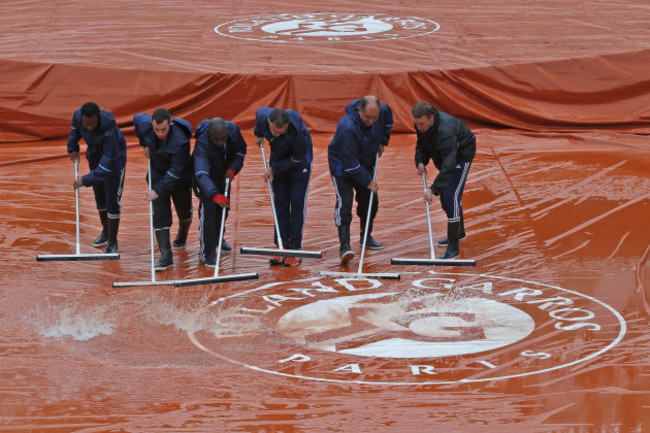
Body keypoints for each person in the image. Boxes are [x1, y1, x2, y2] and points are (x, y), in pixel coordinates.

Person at [328, 95, 393, 264]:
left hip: (365, 162)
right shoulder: (347, 127)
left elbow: (387, 121)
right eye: (367, 117)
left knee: (371, 200)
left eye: (374, 118)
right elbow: (350, 164)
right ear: (359, 111)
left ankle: (366, 236)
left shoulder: (383, 111)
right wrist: (367, 181)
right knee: (345, 203)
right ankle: (345, 247)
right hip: (343, 167)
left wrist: (383, 141)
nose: (371, 121)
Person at [412, 101, 476, 259]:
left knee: (451, 196)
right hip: (445, 156)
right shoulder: (422, 125)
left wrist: (433, 190)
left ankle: (453, 248)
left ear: (431, 118)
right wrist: (420, 161)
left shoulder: (445, 130)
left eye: (422, 123)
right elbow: (422, 143)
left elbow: (449, 165)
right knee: (447, 197)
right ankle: (459, 232)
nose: (419, 127)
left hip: (461, 156)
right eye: (417, 124)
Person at [133, 108, 193, 271]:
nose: (159, 133)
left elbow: (175, 172)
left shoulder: (180, 140)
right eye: (156, 129)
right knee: (160, 215)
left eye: (163, 129)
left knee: (184, 211)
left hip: (179, 177)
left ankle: (182, 234)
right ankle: (166, 255)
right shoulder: (146, 126)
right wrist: (144, 143)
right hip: (157, 174)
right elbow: (137, 117)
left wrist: (157, 190)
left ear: (171, 124)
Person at [254, 107, 313, 267]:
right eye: (274, 131)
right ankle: (282, 246)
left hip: (300, 162)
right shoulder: (262, 116)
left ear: (287, 126)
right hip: (278, 157)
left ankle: (294, 249)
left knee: (296, 202)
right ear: (269, 122)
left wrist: (275, 169)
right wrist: (258, 134)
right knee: (280, 201)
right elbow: (259, 118)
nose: (277, 134)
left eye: (281, 132)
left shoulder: (297, 131)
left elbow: (297, 158)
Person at [68, 102, 127, 254]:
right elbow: (75, 130)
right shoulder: (78, 116)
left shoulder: (108, 126)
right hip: (94, 156)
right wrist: (73, 147)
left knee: (111, 200)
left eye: (92, 123)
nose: (89, 127)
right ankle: (106, 231)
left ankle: (113, 241)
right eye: (86, 123)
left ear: (98, 118)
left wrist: (84, 180)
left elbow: (108, 164)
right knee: (99, 197)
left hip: (114, 161)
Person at [193, 117, 246, 268]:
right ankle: (207, 252)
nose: (220, 142)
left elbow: (240, 152)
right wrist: (214, 194)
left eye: (223, 138)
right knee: (209, 211)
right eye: (216, 139)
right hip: (205, 179)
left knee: (223, 209)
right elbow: (201, 173)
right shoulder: (202, 144)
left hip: (224, 175)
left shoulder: (234, 131)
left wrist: (233, 168)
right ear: (210, 134)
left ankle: (217, 238)